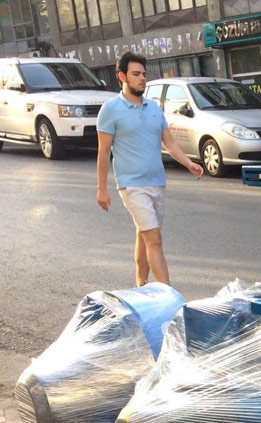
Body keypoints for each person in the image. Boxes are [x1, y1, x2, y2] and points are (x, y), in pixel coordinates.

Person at [96, 52, 203, 287]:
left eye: (144, 74)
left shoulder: (154, 107)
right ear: (122, 76)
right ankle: (167, 294)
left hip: (157, 182)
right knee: (154, 239)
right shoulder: (111, 109)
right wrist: (102, 189)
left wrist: (189, 163)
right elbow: (103, 151)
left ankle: (139, 284)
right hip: (131, 184)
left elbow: (169, 142)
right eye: (136, 74)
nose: (142, 78)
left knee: (144, 235)